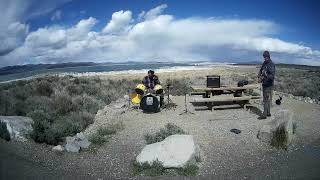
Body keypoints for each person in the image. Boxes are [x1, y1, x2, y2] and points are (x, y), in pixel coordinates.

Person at [258, 51, 276, 119]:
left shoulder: (271, 64)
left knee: (265, 99)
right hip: (264, 83)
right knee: (267, 99)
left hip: (269, 85)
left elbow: (272, 76)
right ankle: (268, 113)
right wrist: (259, 76)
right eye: (264, 57)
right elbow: (261, 70)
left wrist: (266, 75)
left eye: (266, 57)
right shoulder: (265, 63)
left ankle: (264, 114)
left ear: (268, 56)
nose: (265, 58)